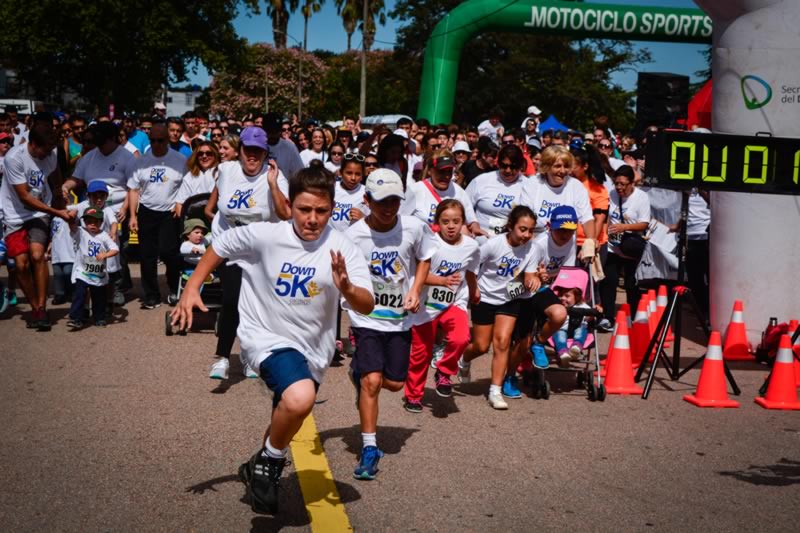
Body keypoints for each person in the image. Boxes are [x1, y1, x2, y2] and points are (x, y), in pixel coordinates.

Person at [170, 166, 374, 515]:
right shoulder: (266, 235)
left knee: (290, 412)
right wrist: (191, 287)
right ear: (289, 206)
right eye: (304, 209)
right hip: (265, 336)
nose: (312, 219)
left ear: (332, 209)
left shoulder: (343, 247)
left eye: (321, 211)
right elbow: (221, 244)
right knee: (300, 397)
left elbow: (366, 304)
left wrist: (348, 288)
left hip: (314, 348)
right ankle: (270, 463)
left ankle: (259, 463)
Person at [344, 168, 435, 480]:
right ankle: (370, 448)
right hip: (366, 318)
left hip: (399, 319)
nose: (388, 207)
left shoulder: (414, 227)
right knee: (372, 382)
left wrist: (415, 290)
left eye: (394, 200)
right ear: (367, 200)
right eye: (382, 201)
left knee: (395, 384)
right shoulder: (353, 235)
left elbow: (425, 257)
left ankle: (359, 373)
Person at [204, 126, 291, 380]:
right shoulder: (226, 171)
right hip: (230, 244)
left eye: (258, 151)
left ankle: (249, 355)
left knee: (255, 304)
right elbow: (215, 205)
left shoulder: (274, 175)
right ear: (239, 151)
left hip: (261, 249)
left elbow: (285, 214)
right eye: (248, 150)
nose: (252, 156)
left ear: (265, 154)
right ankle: (222, 357)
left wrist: (273, 185)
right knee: (232, 298)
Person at [459, 206, 545, 409]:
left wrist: (534, 280)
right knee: (481, 346)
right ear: (511, 226)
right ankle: (463, 359)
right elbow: (471, 268)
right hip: (485, 297)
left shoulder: (533, 249)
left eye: (530, 230)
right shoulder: (493, 245)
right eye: (522, 229)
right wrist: (474, 289)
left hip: (510, 298)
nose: (526, 235)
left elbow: (529, 275)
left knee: (502, 342)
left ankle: (495, 391)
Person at [403, 199, 479, 413]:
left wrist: (474, 289)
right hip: (426, 306)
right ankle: (413, 396)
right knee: (421, 355)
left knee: (461, 338)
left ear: (463, 222)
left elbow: (471, 270)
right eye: (445, 222)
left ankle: (444, 372)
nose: (451, 226)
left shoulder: (471, 246)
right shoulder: (429, 244)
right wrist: (441, 281)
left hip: (453, 302)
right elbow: (418, 275)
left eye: (456, 221)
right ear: (437, 223)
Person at [0, 120, 70, 329]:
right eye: (45, 150)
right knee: (20, 264)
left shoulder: (51, 153)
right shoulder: (14, 158)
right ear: (33, 144)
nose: (48, 154)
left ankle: (42, 309)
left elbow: (55, 173)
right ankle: (34, 307)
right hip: (14, 215)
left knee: (38, 255)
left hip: (40, 212)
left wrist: (59, 193)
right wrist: (56, 211)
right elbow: (25, 197)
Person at [127, 122, 187, 309]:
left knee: (170, 252)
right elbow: (133, 189)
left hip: (170, 212)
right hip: (147, 211)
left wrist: (180, 203)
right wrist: (133, 215)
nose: (156, 144)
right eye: (152, 140)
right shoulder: (141, 161)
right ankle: (151, 295)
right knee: (147, 255)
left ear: (167, 140)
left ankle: (174, 288)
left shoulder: (179, 160)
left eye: (160, 140)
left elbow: (187, 185)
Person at [600, 165, 651, 326]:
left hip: (630, 245)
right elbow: (606, 216)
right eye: (616, 183)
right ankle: (608, 317)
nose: (619, 187)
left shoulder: (641, 197)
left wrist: (624, 227)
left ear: (631, 183)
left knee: (630, 283)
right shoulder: (611, 194)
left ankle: (634, 317)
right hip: (612, 246)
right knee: (609, 281)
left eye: (623, 184)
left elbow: (644, 224)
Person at [66, 207, 119, 329]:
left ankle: (99, 318)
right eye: (89, 222)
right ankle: (76, 318)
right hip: (82, 272)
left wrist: (105, 254)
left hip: (98, 274)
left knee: (99, 297)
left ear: (101, 223)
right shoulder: (80, 231)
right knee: (79, 294)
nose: (92, 224)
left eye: (96, 222)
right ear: (84, 222)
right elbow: (71, 225)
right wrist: (71, 217)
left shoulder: (104, 235)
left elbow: (115, 249)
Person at [407, 149, 480, 234]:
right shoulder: (415, 190)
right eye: (441, 171)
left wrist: (475, 227)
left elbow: (471, 220)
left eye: (449, 171)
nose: (446, 176)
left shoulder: (459, 192)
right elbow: (401, 220)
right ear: (430, 171)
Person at [466, 144, 527, 241]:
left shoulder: (528, 186)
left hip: (512, 244)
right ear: (498, 163)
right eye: (504, 166)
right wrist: (472, 223)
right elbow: (464, 205)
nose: (508, 170)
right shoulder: (481, 180)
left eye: (513, 167)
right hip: (480, 242)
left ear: (520, 166)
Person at [175, 141, 219, 217]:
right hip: (194, 217)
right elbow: (179, 204)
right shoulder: (189, 176)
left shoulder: (222, 173)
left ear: (215, 155)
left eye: (208, 153)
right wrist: (184, 221)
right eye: (200, 154)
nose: (204, 156)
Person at [552, 286, 592, 364]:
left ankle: (576, 347)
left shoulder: (582, 306)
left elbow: (590, 316)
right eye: (560, 295)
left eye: (567, 296)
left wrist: (593, 314)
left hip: (577, 327)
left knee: (581, 330)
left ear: (576, 298)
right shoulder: (557, 306)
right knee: (559, 335)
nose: (562, 298)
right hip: (561, 329)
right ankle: (563, 353)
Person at [330, 154, 369, 233]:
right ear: (340, 172)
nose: (353, 178)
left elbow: (375, 220)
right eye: (349, 173)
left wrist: (364, 218)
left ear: (362, 175)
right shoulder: (331, 187)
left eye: (358, 174)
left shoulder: (366, 192)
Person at [262, 113, 304, 179]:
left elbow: (300, 174)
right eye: (270, 130)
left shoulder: (289, 147)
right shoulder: (258, 146)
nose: (273, 133)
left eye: (276, 130)